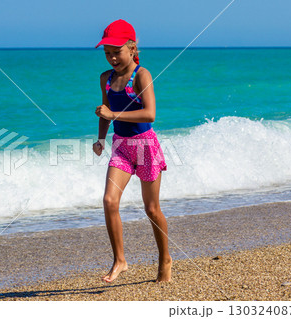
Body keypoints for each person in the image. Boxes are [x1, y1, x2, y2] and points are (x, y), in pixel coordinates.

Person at [93, 19, 172, 283]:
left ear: (131, 48)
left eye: (116, 52)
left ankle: (165, 259)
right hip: (121, 147)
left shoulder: (142, 75)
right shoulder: (106, 79)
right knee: (109, 201)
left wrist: (114, 114)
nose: (112, 58)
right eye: (107, 53)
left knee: (151, 209)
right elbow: (105, 113)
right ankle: (120, 260)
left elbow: (150, 114)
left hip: (146, 146)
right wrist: (101, 139)